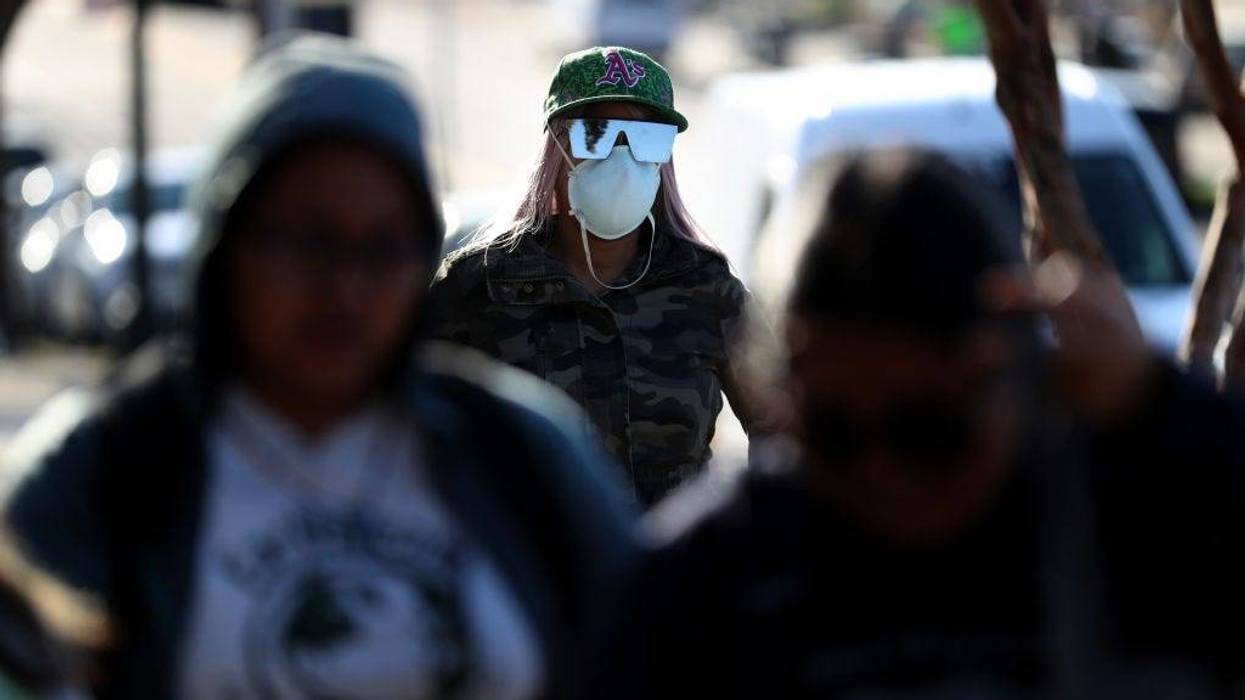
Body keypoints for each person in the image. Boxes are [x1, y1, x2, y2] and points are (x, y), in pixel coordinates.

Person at [1, 35, 634, 699]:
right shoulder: (101, 468)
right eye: (306, 241)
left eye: (383, 248)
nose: (344, 289)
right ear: (225, 240)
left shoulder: (523, 455)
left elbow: (654, 653)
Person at [581, 151, 1245, 698]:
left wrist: (1163, 407)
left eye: (926, 432)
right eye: (832, 436)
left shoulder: (1146, 515)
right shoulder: (712, 582)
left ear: (1013, 373)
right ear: (783, 398)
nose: (881, 476)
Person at [428, 46, 769, 507]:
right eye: (597, 134)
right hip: (537, 575)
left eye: (647, 139)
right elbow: (401, 429)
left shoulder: (705, 288)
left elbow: (787, 432)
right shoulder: (477, 287)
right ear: (557, 147)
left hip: (670, 574)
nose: (622, 159)